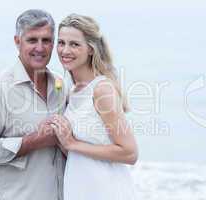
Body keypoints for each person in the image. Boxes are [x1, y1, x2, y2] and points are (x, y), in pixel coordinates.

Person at [0, 9, 66, 200]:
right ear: (17, 41)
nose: (40, 48)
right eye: (32, 40)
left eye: (46, 40)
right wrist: (33, 141)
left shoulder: (60, 85)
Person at [50, 14, 139, 200]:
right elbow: (80, 150)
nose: (65, 50)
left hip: (106, 190)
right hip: (79, 187)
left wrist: (73, 144)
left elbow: (130, 152)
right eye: (61, 43)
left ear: (91, 49)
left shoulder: (101, 90)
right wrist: (63, 141)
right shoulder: (72, 90)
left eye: (74, 44)